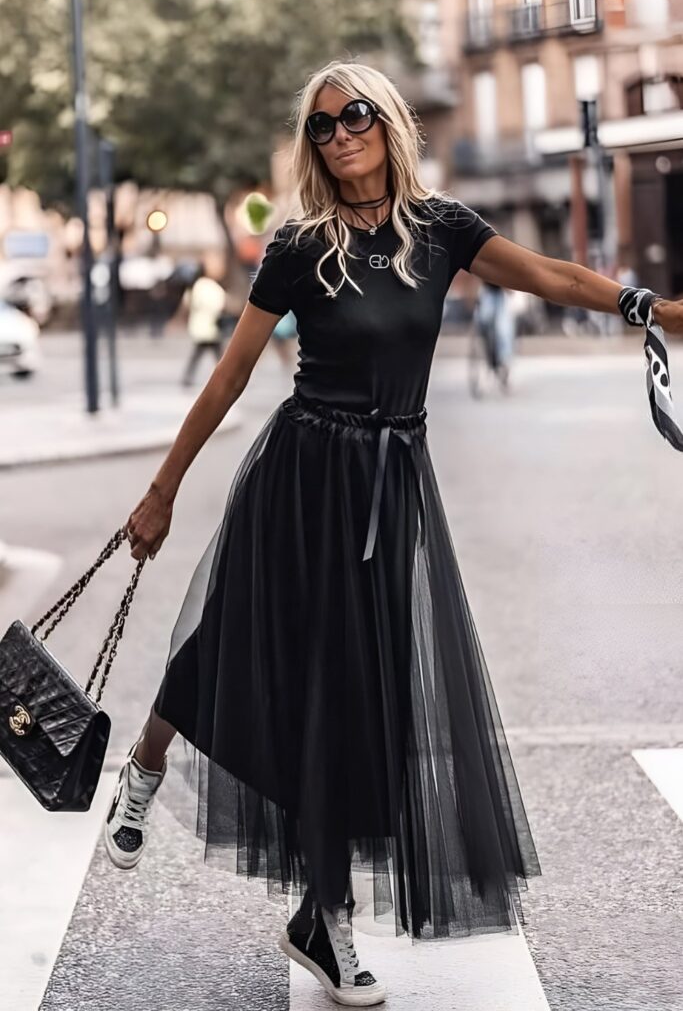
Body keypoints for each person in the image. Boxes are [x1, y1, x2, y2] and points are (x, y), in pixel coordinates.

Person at [107, 61, 683, 1007]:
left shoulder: (442, 229)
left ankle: (318, 914)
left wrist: (649, 308)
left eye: (355, 117)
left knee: (361, 692)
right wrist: (162, 489)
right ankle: (147, 760)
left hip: (390, 483)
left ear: (389, 122)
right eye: (323, 127)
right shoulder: (298, 247)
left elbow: (547, 273)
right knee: (235, 637)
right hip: (301, 472)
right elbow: (229, 378)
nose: (339, 137)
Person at [180, 252, 228, 387]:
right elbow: (217, 305)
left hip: (203, 327)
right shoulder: (206, 285)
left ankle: (188, 377)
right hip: (209, 327)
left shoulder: (198, 285)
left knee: (202, 354)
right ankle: (224, 378)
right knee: (219, 356)